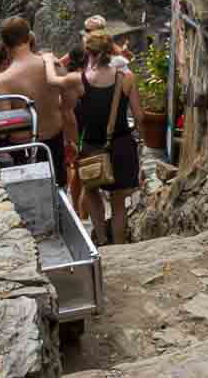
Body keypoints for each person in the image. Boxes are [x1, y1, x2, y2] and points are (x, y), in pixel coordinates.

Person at [47, 31, 144, 245]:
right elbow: (139, 115)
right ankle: (119, 245)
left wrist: (47, 59)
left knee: (92, 192)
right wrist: (139, 137)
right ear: (111, 51)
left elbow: (52, 81)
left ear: (87, 53)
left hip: (90, 147)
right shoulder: (127, 78)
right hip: (121, 144)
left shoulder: (79, 80)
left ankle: (100, 239)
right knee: (118, 202)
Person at [0, 16, 69, 186]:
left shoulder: (3, 82)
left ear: (4, 44)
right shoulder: (53, 65)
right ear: (29, 37)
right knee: (60, 191)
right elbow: (72, 99)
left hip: (26, 152)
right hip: (55, 142)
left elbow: (4, 131)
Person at [61, 47, 90, 216]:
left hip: (71, 129)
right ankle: (83, 213)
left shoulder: (65, 79)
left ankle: (77, 209)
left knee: (75, 169)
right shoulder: (84, 79)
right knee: (85, 173)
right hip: (84, 128)